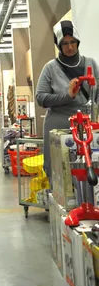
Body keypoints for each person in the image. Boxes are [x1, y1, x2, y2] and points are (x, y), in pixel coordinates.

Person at [36, 20, 99, 180]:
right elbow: (41, 98)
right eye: (64, 43)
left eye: (72, 42)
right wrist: (68, 96)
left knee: (90, 168)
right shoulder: (50, 68)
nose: (70, 47)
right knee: (60, 172)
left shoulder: (91, 63)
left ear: (77, 42)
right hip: (59, 129)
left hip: (87, 127)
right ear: (58, 45)